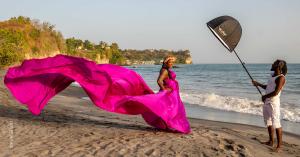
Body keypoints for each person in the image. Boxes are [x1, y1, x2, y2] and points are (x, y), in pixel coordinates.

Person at [4, 54, 191, 133]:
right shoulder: (163, 71)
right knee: (167, 110)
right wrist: (167, 88)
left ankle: (169, 126)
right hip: (169, 92)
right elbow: (159, 82)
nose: (172, 64)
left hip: (172, 92)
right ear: (166, 63)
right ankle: (170, 126)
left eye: (173, 62)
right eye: (171, 62)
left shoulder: (167, 68)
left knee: (170, 111)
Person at [252, 59, 287, 152]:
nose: (272, 64)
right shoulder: (272, 76)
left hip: (273, 103)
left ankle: (279, 146)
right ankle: (271, 141)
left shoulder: (281, 78)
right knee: (268, 122)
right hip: (267, 102)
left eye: (274, 63)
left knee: (276, 123)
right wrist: (258, 84)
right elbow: (268, 87)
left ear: (279, 66)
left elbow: (276, 92)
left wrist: (265, 96)